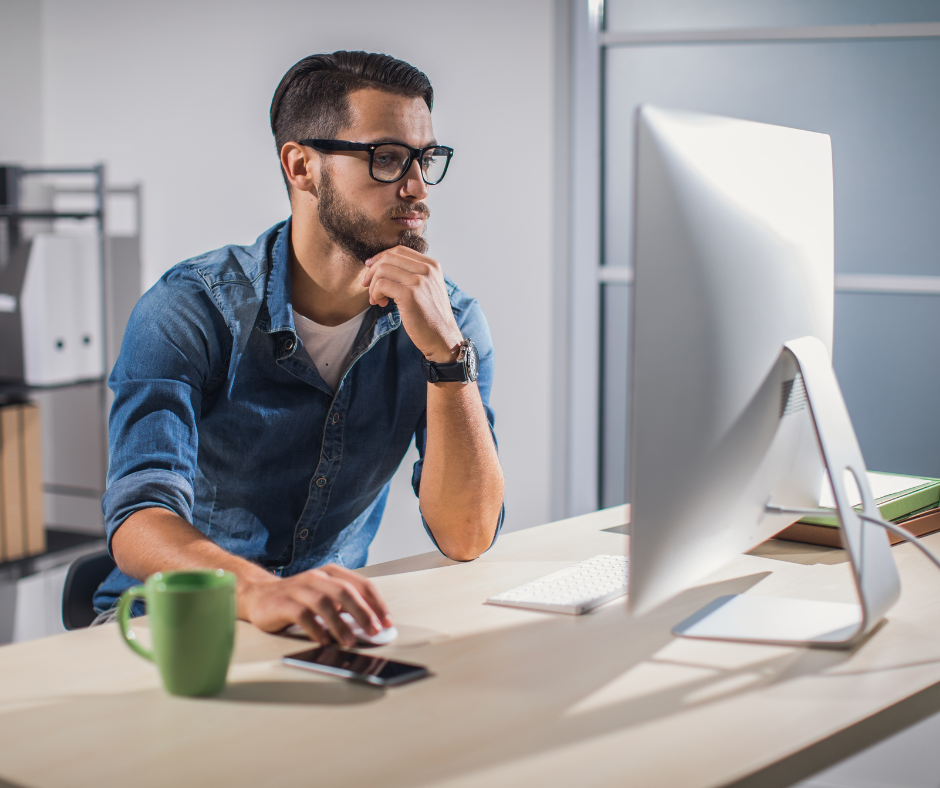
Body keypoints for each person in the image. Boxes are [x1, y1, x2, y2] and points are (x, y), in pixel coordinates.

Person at [93, 51, 505, 647]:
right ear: (301, 166)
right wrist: (261, 592)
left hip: (324, 628)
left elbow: (467, 535)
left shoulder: (451, 323)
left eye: (425, 159)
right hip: (167, 627)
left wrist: (447, 358)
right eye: (386, 159)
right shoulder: (189, 309)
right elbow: (138, 519)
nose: (417, 188)